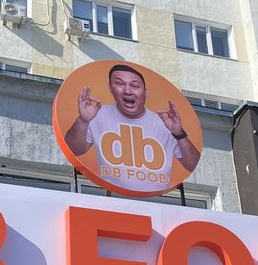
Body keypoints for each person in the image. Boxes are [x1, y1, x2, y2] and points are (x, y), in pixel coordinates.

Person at [63, 64, 200, 193]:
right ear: (110, 88)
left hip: (159, 202)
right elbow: (73, 150)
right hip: (110, 199)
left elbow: (193, 165)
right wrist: (83, 120)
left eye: (135, 86)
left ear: (145, 93)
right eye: (119, 84)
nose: (127, 91)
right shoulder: (96, 114)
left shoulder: (165, 123)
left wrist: (179, 133)